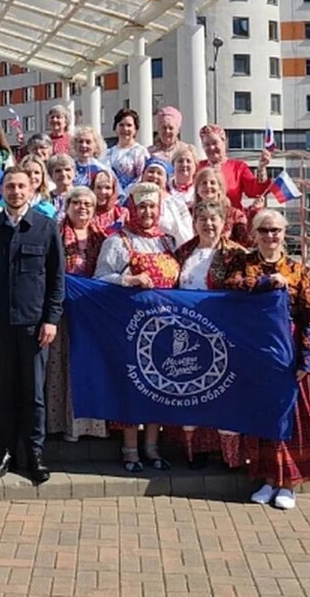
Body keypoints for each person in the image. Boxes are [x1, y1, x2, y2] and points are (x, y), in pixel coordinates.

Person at [221, 209, 310, 511]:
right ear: (254, 234)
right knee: (262, 415)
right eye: (264, 230)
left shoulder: (297, 270)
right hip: (256, 351)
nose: (270, 235)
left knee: (289, 416)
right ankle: (268, 478)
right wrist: (267, 282)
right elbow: (230, 287)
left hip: (288, 350)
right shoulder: (243, 264)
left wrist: (306, 358)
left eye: (276, 230)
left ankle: (288, 483)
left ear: (284, 233)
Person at [0, 167, 65, 484]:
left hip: (34, 325)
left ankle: (35, 454)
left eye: (21, 186)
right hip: (0, 324)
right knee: (4, 390)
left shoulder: (46, 227)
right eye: (10, 186)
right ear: (2, 190)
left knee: (33, 393)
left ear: (31, 190)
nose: (15, 192)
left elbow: (57, 278)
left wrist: (51, 319)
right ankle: (4, 452)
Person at [94, 182, 179, 473]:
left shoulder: (168, 242)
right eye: (142, 206)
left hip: (165, 328)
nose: (147, 212)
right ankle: (130, 449)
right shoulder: (117, 241)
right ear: (131, 208)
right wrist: (128, 280)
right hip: (131, 328)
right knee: (133, 385)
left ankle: (152, 446)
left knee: (158, 385)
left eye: (152, 206)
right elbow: (99, 278)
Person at [171, 200, 248, 470]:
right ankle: (197, 451)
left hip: (223, 334)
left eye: (214, 218)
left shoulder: (235, 254)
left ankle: (230, 455)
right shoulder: (183, 252)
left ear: (224, 222)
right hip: (188, 334)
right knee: (193, 390)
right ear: (194, 223)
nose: (208, 224)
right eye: (202, 219)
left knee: (224, 393)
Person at [46, 186, 107, 442]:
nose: (82, 208)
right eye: (77, 203)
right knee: (59, 363)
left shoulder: (102, 237)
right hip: (61, 310)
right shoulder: (55, 233)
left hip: (90, 312)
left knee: (87, 364)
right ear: (68, 206)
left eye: (88, 204)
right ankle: (58, 423)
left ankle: (88, 426)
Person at [200, 123, 271, 215]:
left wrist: (261, 168)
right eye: (207, 145)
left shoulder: (238, 167)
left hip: (232, 220)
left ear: (224, 142)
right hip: (204, 220)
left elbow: (255, 191)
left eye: (215, 143)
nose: (211, 147)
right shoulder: (198, 167)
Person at [141, 157, 192, 246]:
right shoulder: (131, 200)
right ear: (143, 176)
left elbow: (186, 235)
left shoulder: (176, 203)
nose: (154, 176)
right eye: (151, 171)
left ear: (166, 180)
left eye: (159, 173)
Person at [195, 166, 250, 245]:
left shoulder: (234, 215)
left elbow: (245, 242)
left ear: (220, 188)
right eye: (204, 183)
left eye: (212, 183)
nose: (208, 186)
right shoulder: (189, 213)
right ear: (197, 190)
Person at [104, 108, 149, 195]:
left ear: (135, 129)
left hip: (133, 196)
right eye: (121, 125)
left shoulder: (140, 152)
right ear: (115, 127)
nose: (125, 129)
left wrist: (125, 194)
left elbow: (142, 177)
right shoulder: (108, 153)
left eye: (129, 125)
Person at [89, 168, 127, 236]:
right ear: (92, 189)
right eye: (98, 187)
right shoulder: (85, 213)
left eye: (107, 188)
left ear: (114, 190)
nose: (103, 192)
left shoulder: (122, 213)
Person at [47, 153, 76, 220]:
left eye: (67, 169)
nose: (63, 174)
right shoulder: (46, 198)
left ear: (74, 172)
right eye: (58, 171)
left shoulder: (82, 195)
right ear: (51, 175)